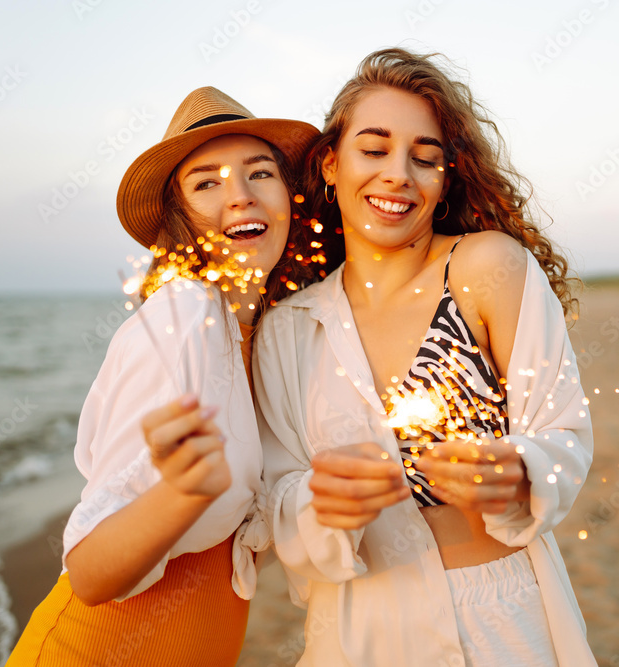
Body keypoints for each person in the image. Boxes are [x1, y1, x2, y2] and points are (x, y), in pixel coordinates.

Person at [254, 49, 597, 666]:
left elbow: (565, 434)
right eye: (374, 148)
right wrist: (319, 503)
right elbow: (273, 504)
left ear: (446, 178)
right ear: (331, 165)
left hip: (502, 618)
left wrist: (515, 470)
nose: (398, 175)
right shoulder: (286, 329)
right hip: (359, 629)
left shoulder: (486, 268)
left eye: (425, 156)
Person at [6, 87, 319, 666]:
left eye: (260, 174)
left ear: (291, 196)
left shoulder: (270, 334)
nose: (241, 198)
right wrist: (179, 493)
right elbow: (91, 570)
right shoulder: (185, 316)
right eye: (207, 183)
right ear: (181, 217)